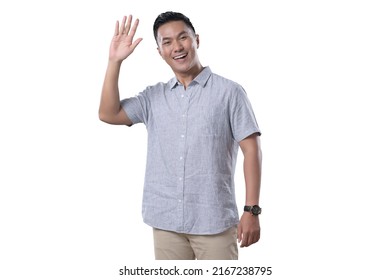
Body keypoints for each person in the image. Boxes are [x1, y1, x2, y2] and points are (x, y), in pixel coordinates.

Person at [99, 11, 262, 260]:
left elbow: (252, 150)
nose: (177, 47)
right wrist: (114, 62)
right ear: (160, 51)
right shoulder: (153, 97)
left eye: (182, 37)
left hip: (213, 221)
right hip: (165, 222)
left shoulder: (230, 93)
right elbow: (108, 114)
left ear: (196, 39)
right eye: (167, 42)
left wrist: (252, 210)